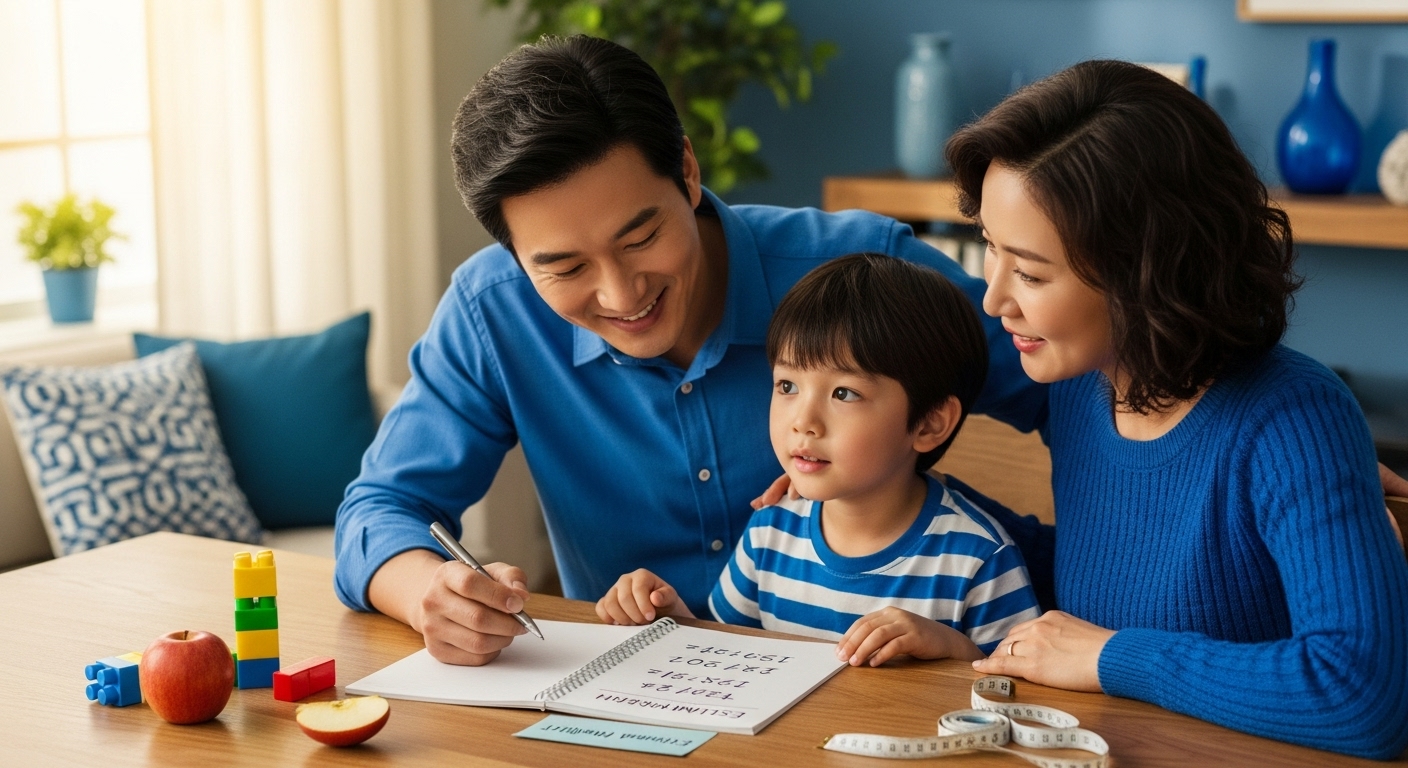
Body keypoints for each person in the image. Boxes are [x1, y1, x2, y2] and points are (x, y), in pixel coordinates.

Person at [331, 36, 1046, 667]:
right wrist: (431, 592)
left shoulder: (865, 273)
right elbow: (382, 508)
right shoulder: (492, 311)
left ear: (688, 171)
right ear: (513, 255)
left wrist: (961, 534)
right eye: (564, 267)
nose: (620, 295)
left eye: (640, 237)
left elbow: (1087, 403)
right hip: (633, 704)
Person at [938, 60, 1407, 758]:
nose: (995, 299)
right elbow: (1107, 570)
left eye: (1031, 272)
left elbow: (1361, 695)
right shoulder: (1076, 384)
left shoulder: (1295, 420)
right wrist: (888, 502)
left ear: (1145, 270)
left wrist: (1110, 659)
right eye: (992, 255)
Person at [595, 254, 1041, 664]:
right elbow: (727, 653)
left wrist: (951, 650)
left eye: (844, 393)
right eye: (787, 386)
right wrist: (668, 616)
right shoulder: (771, 530)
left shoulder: (979, 559)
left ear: (928, 424)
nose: (803, 421)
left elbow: (1019, 693)